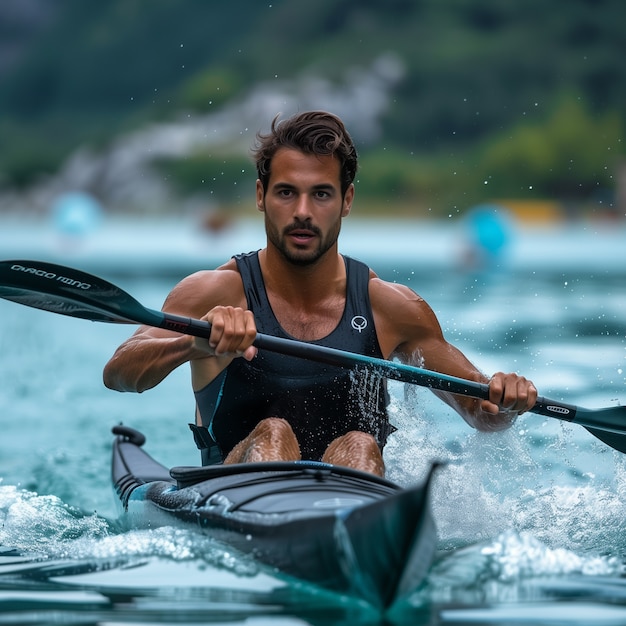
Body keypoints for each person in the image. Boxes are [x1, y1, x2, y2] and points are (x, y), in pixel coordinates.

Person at [103, 110, 537, 477]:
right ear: (261, 196)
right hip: (231, 495)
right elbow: (120, 374)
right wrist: (193, 341)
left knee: (361, 445)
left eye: (322, 194)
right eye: (287, 192)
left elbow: (482, 414)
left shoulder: (393, 308)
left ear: (346, 200)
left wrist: (507, 399)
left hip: (352, 497)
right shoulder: (213, 293)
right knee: (274, 432)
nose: (303, 212)